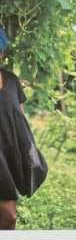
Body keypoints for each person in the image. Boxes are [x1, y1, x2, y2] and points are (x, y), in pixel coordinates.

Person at [0, 25, 35, 228]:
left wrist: (29, 151)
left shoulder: (12, 80)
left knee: (9, 217)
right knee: (8, 213)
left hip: (9, 152)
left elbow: (21, 119)